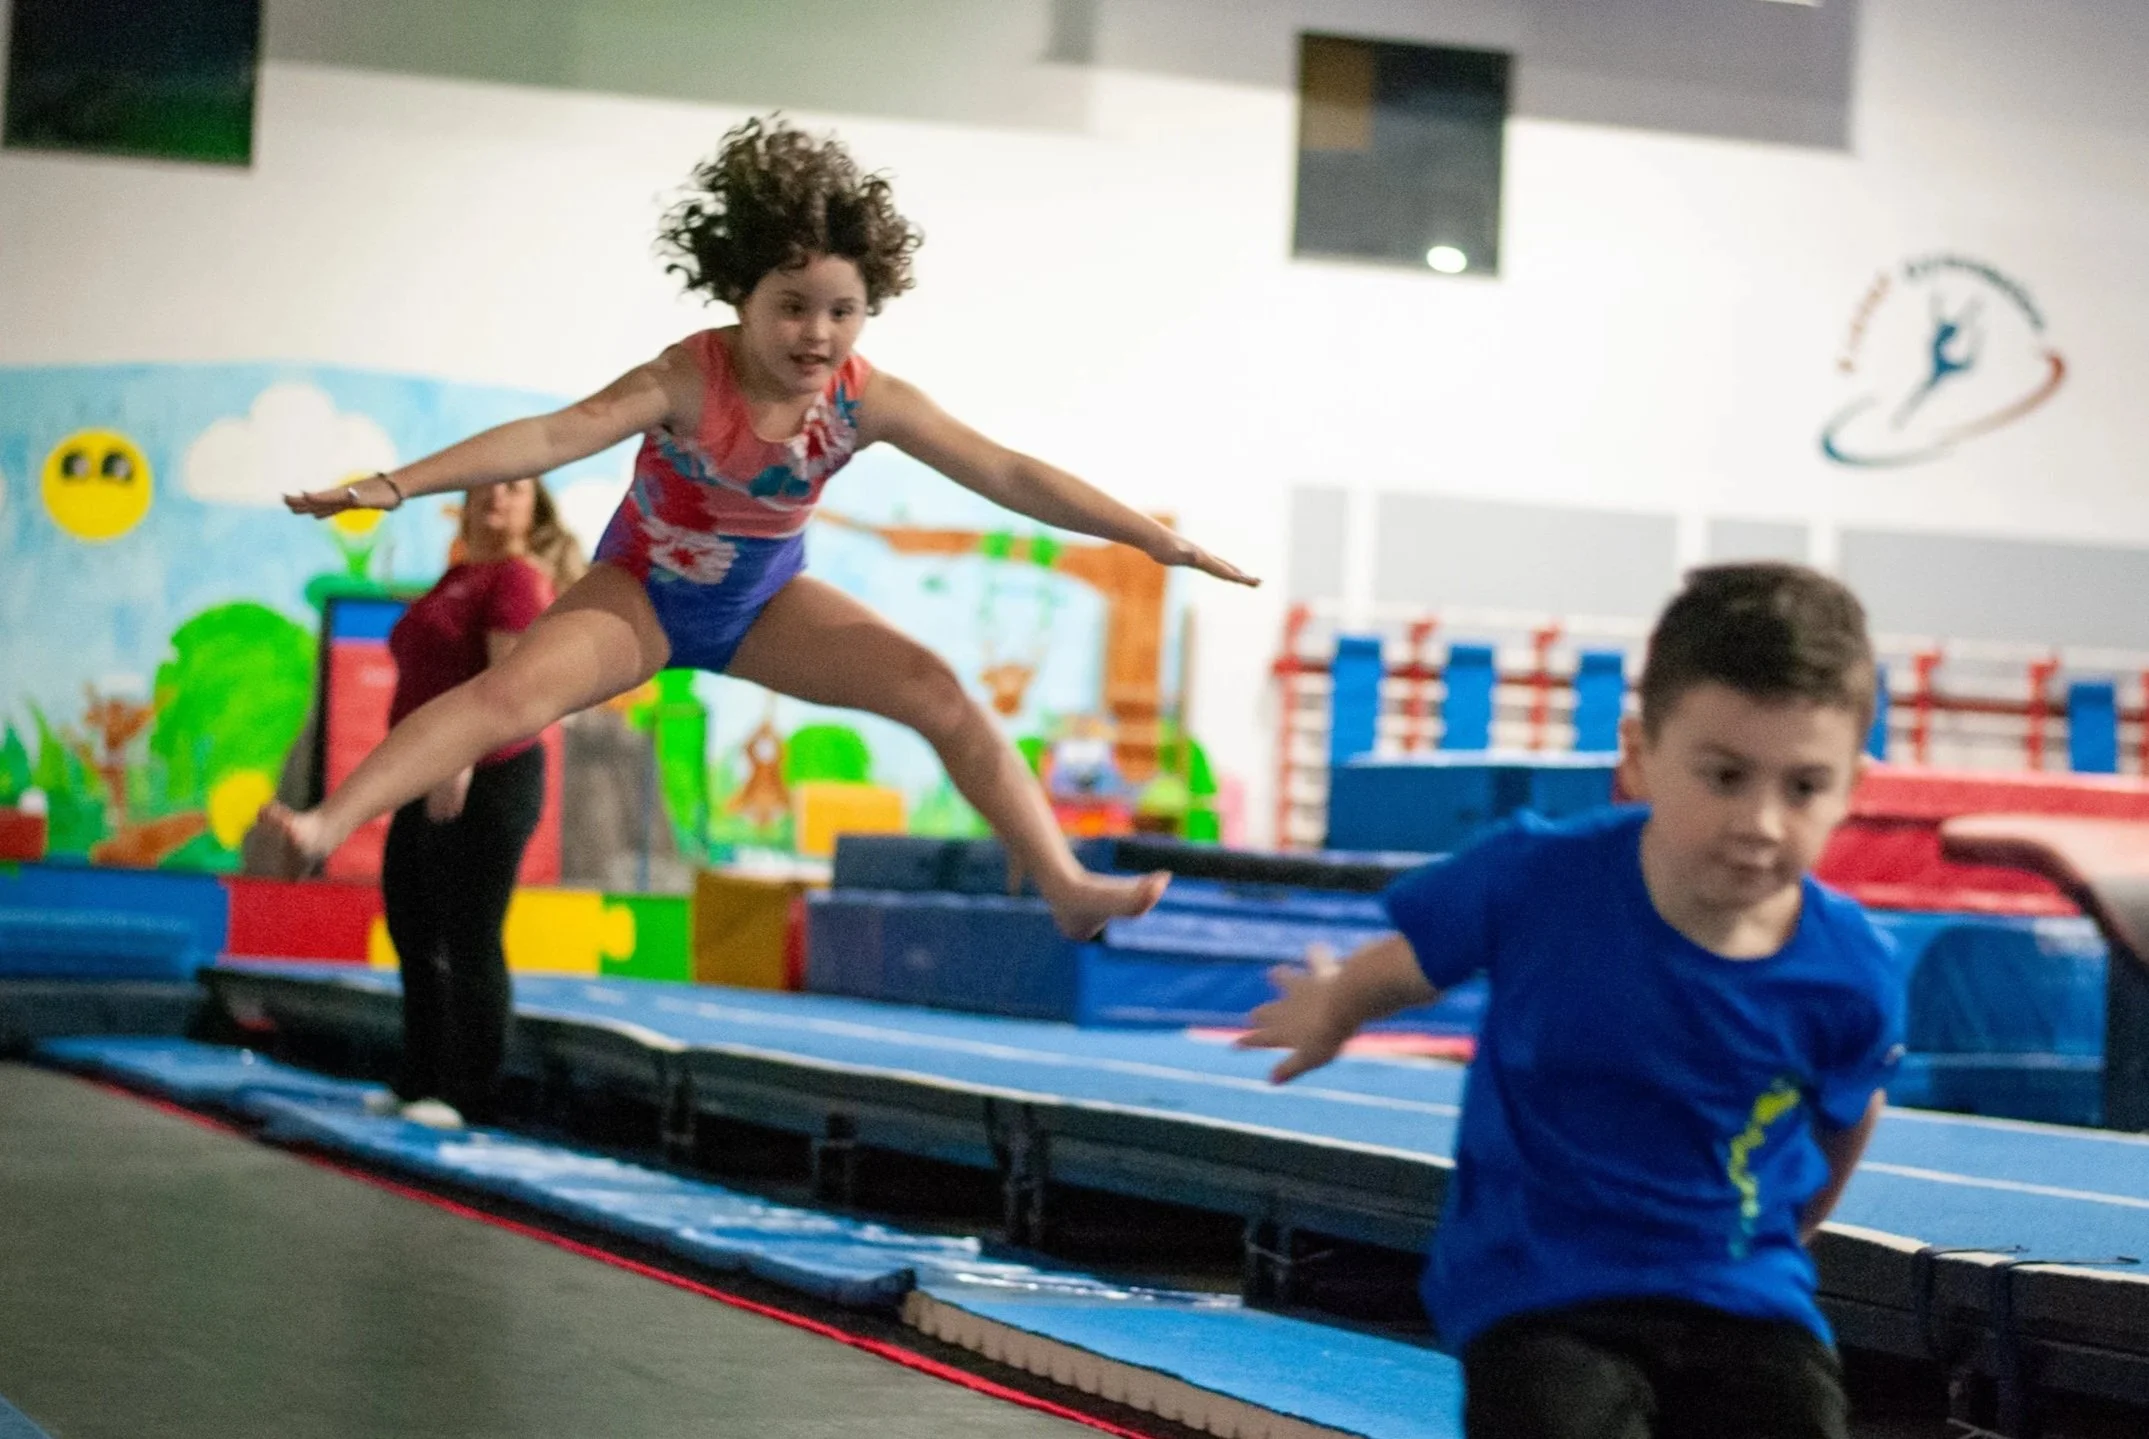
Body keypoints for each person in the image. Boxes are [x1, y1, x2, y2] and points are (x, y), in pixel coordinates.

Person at [252, 116, 1255, 937]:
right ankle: (323, 820)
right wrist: (397, 483)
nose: (817, 334)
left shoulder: (870, 399)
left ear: (871, 309)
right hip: (641, 595)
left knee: (939, 694)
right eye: (791, 307)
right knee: (509, 694)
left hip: (764, 603)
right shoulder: (687, 376)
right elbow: (556, 435)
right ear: (740, 294)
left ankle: (1066, 887)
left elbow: (1006, 470)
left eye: (842, 310)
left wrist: (1144, 536)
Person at [1239, 563, 1906, 1439]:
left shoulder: (1849, 968)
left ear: (1852, 785)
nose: (1762, 822)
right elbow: (1416, 959)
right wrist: (1335, 1005)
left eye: (1803, 787)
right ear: (1638, 757)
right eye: (1724, 776)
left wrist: (1781, 1239)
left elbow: (1845, 1115)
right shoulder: (1541, 879)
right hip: (1546, 1284)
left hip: (1735, 1286)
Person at [368, 477, 586, 1130]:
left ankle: (472, 1093)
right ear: (463, 504)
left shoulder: (516, 581)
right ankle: (419, 1078)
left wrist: (458, 760)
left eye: (514, 488)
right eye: (485, 487)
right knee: (411, 925)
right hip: (424, 770)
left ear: (531, 509)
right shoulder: (458, 575)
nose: (496, 497)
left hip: (487, 772)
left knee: (468, 931)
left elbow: (507, 689)